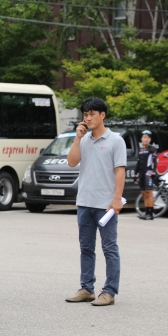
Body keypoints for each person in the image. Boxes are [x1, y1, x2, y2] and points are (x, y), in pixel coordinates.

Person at [65, 98, 126, 306]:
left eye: (92, 114)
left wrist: (116, 199)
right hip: (84, 202)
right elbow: (72, 162)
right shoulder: (83, 140)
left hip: (105, 205)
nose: (88, 118)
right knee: (86, 248)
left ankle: (109, 291)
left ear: (103, 115)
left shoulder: (115, 140)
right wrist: (77, 138)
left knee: (109, 248)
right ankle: (86, 288)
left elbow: (120, 171)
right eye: (85, 114)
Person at [134, 130, 158, 220]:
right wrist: (135, 174)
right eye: (144, 137)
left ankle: (150, 214)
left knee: (149, 193)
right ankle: (146, 212)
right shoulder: (140, 150)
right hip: (141, 173)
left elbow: (155, 161)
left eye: (148, 138)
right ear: (141, 139)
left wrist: (154, 171)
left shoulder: (152, 149)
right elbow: (138, 163)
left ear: (150, 139)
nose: (146, 139)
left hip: (148, 172)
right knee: (144, 193)